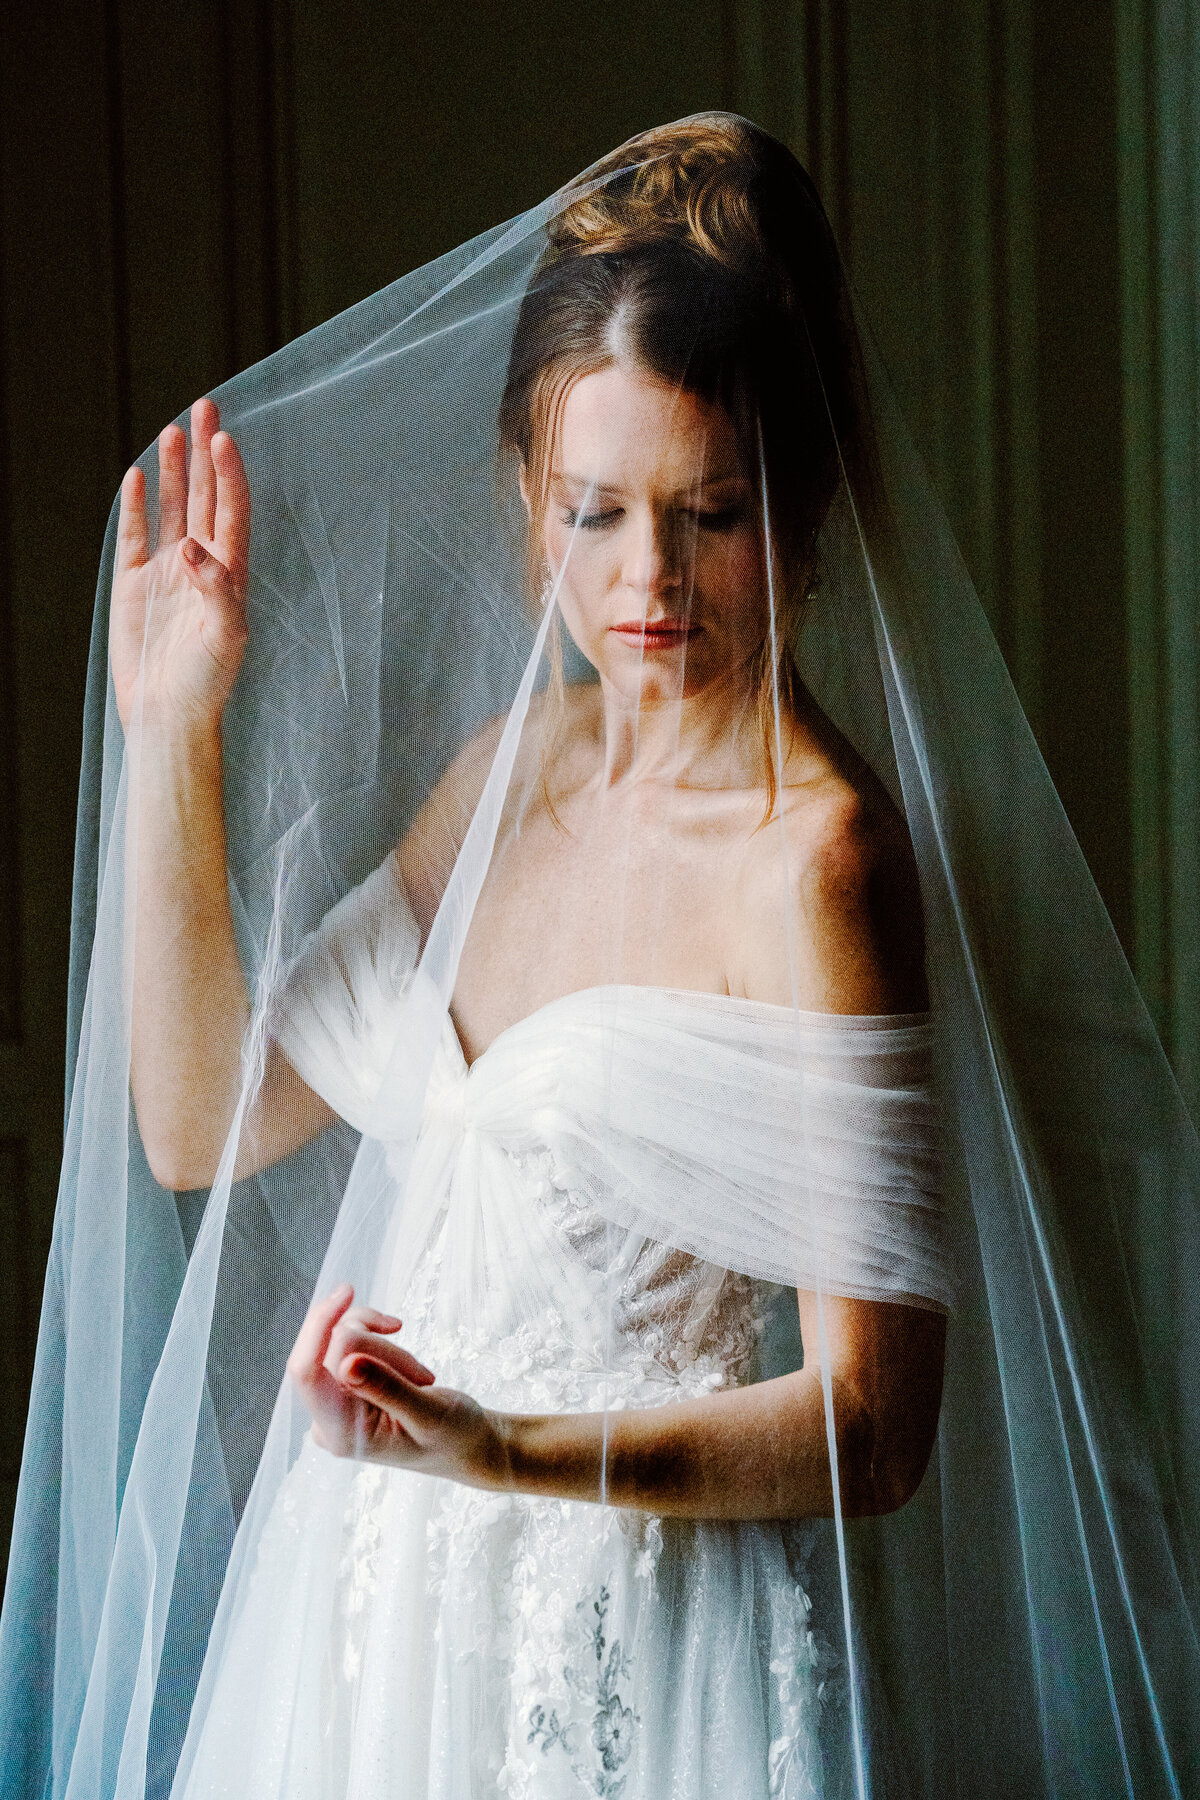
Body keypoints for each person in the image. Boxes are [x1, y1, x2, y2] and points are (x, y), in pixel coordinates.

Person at [1, 114, 1196, 1800]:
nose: (649, 581)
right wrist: (171, 730)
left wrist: (500, 1452)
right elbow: (198, 1121)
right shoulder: (509, 772)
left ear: (804, 506)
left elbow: (879, 1424)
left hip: (637, 1643)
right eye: (596, 510)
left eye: (710, 513)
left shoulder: (820, 862)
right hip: (366, 1618)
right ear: (526, 496)